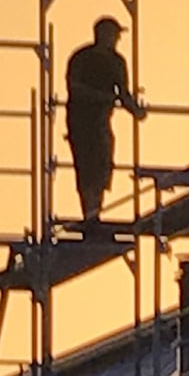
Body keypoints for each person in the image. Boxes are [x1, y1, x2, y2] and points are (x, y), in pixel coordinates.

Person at [65, 16, 146, 223]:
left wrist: (135, 109)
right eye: (114, 35)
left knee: (102, 166)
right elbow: (75, 88)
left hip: (101, 120)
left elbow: (123, 93)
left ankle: (94, 214)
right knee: (87, 167)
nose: (117, 39)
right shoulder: (82, 58)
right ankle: (90, 215)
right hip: (80, 120)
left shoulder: (117, 62)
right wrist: (103, 97)